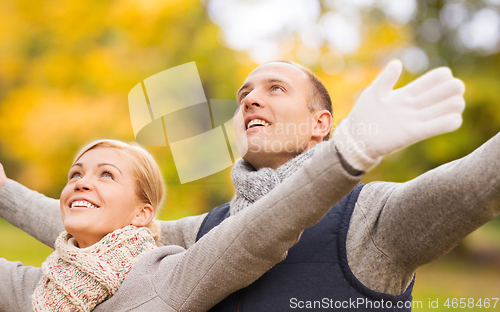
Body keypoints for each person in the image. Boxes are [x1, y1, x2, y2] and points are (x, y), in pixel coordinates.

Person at [2, 60, 499, 311]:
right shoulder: (204, 232)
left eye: (275, 89)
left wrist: (354, 148)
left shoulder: (373, 218)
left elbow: (477, 183)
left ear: (320, 123)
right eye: (244, 96)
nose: (251, 100)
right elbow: (99, 223)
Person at [0, 137, 364, 311]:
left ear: (142, 214)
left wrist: (346, 158)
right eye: (75, 174)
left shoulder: (164, 277)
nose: (81, 182)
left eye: (106, 175)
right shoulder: (36, 287)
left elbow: (254, 234)